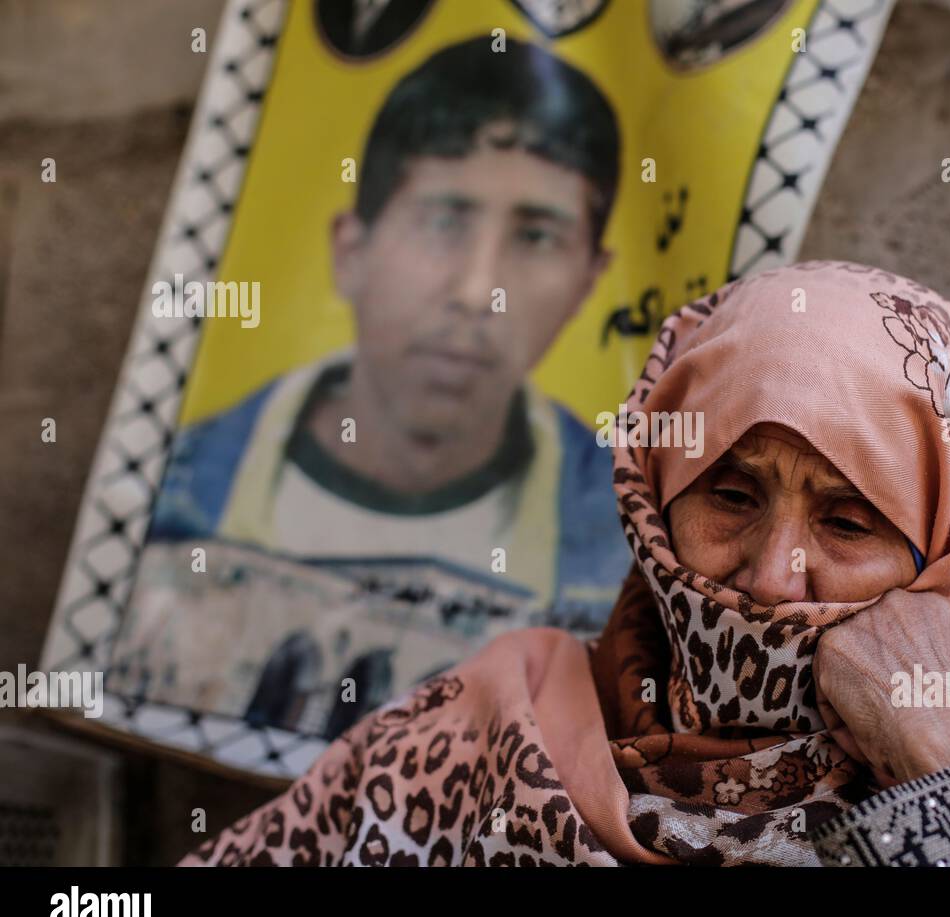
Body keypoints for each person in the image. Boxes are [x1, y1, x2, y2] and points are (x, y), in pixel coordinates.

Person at [180, 261, 950, 867]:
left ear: (944, 547)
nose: (769, 573)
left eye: (847, 520)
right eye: (731, 494)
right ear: (653, 493)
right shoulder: (477, 739)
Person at [148, 36, 627, 623]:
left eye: (535, 238)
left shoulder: (635, 550)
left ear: (587, 283)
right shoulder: (162, 490)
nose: (477, 292)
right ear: (350, 252)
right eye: (440, 222)